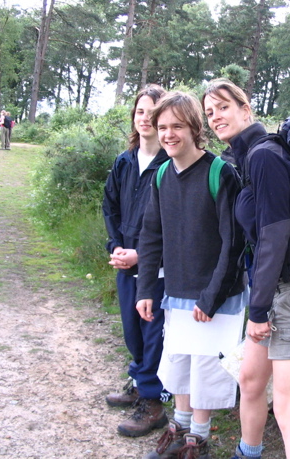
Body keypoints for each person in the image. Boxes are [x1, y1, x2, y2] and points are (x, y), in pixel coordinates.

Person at [202, 79, 290, 459]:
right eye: (209, 112)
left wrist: (257, 309)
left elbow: (274, 237)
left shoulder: (264, 156)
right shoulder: (248, 158)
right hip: (278, 290)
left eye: (223, 107)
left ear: (246, 110)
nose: (215, 117)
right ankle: (248, 453)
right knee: (249, 378)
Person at [136, 91, 246, 459]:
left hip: (218, 296)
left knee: (207, 369)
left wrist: (212, 297)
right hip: (177, 291)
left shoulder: (220, 173)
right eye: (162, 126)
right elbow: (151, 235)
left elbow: (234, 245)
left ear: (194, 128)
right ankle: (178, 430)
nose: (168, 134)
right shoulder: (162, 174)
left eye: (177, 126)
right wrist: (146, 289)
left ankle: (197, 441)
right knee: (179, 361)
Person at [102, 85, 171, 438]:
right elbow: (110, 206)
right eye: (140, 111)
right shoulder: (125, 161)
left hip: (156, 268)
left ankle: (153, 404)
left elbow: (178, 226)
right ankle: (138, 380)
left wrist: (141, 255)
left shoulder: (171, 165)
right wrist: (116, 247)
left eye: (153, 113)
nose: (145, 118)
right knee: (132, 328)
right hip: (124, 262)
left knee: (152, 331)